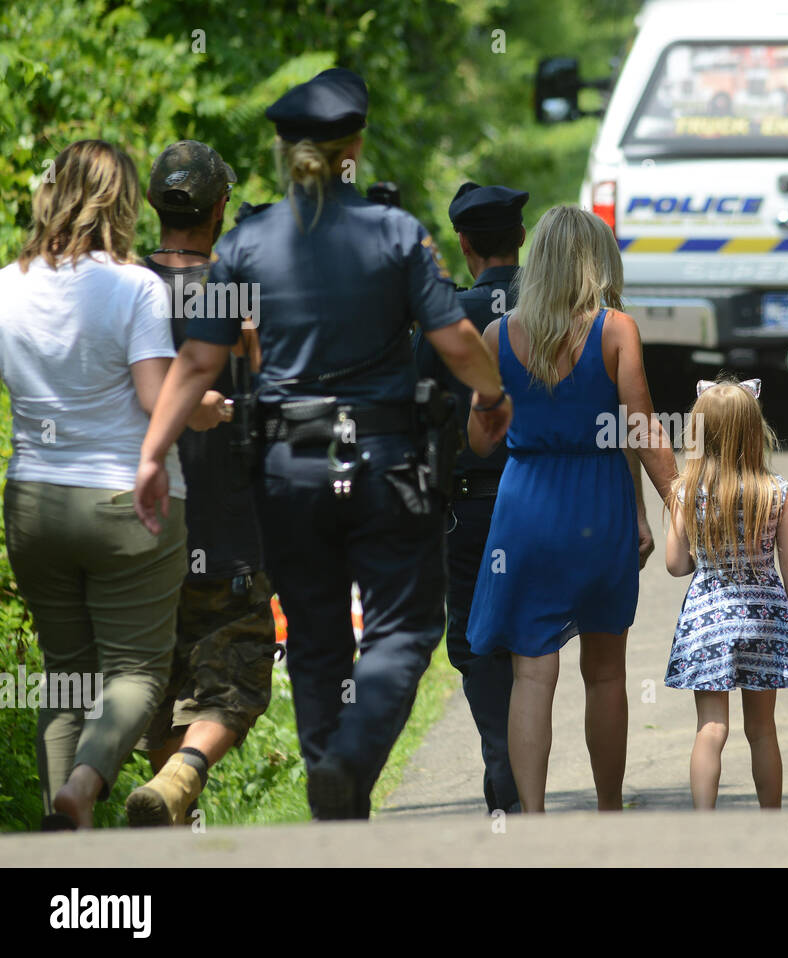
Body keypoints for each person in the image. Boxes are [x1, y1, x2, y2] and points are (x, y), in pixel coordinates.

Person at [133, 68, 512, 820]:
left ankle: (332, 799)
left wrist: (152, 453)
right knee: (403, 626)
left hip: (288, 458)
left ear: (281, 152)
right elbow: (456, 337)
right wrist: (493, 393)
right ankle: (350, 759)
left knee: (312, 635)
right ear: (355, 148)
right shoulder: (396, 235)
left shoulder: (244, 244)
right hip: (382, 458)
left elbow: (199, 360)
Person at [0, 140, 206, 829]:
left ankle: (66, 849)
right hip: (125, 504)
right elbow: (158, 399)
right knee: (136, 674)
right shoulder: (133, 285)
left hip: (32, 502)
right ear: (117, 203)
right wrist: (206, 406)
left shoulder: (5, 284)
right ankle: (84, 786)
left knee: (65, 676)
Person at [466, 205, 677, 813]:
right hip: (597, 508)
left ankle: (532, 820)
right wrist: (683, 504)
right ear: (596, 261)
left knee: (533, 674)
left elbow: (481, 441)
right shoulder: (616, 330)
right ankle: (608, 810)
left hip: (525, 509)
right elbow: (637, 427)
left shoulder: (497, 335)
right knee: (606, 672)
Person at [125, 140, 280, 827]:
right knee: (236, 685)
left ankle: (170, 812)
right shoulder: (239, 289)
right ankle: (186, 776)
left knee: (160, 687)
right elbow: (274, 393)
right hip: (228, 525)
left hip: (135, 526)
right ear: (221, 209)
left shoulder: (121, 285)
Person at [413, 180, 529, 814]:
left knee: (478, 639)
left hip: (471, 505)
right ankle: (524, 766)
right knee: (533, 637)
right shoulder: (563, 307)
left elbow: (411, 411)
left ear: (464, 244)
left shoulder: (448, 319)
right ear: (520, 239)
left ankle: (502, 765)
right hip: (545, 496)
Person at [664, 377, 788, 809]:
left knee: (711, 728)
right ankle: (770, 818)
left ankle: (705, 824)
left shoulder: (686, 491)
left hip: (709, 618)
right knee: (762, 729)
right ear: (754, 429)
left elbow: (675, 565)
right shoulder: (775, 490)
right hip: (766, 616)